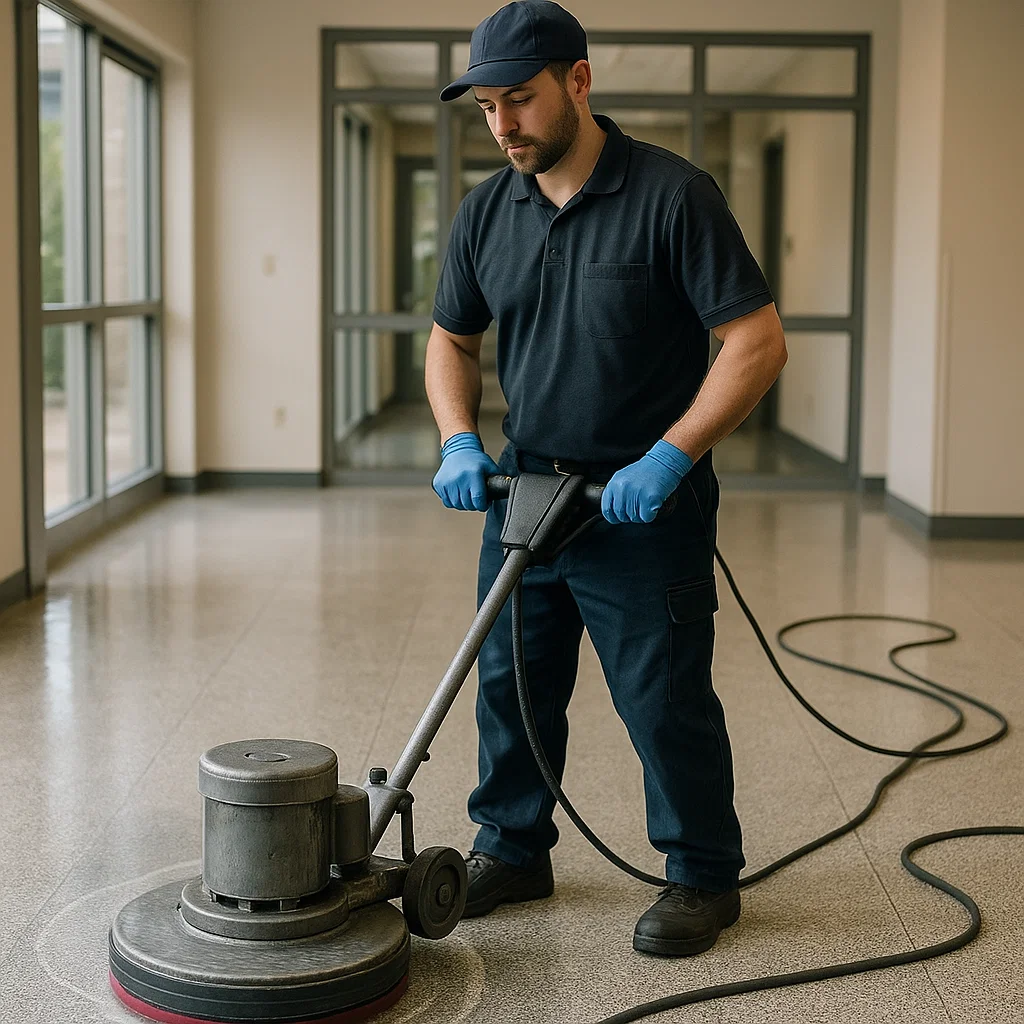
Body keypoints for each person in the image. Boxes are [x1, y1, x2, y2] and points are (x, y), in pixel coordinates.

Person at [425, 0, 787, 957]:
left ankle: (702, 874)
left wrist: (672, 454)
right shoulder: (485, 212)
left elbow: (755, 341)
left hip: (641, 506)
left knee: (661, 696)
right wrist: (459, 439)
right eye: (487, 109)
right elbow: (451, 340)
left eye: (520, 100)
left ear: (578, 82)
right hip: (526, 495)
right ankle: (512, 848)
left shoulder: (673, 196)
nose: (503, 125)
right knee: (510, 685)